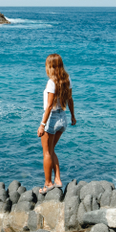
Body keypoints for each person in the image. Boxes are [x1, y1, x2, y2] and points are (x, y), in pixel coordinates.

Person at [37, 53, 77, 193]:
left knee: (46, 152)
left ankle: (48, 184)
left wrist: (42, 125)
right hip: (63, 118)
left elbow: (48, 106)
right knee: (52, 150)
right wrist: (73, 116)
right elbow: (70, 100)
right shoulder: (67, 79)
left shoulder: (52, 82)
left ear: (50, 66)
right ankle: (58, 180)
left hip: (51, 119)